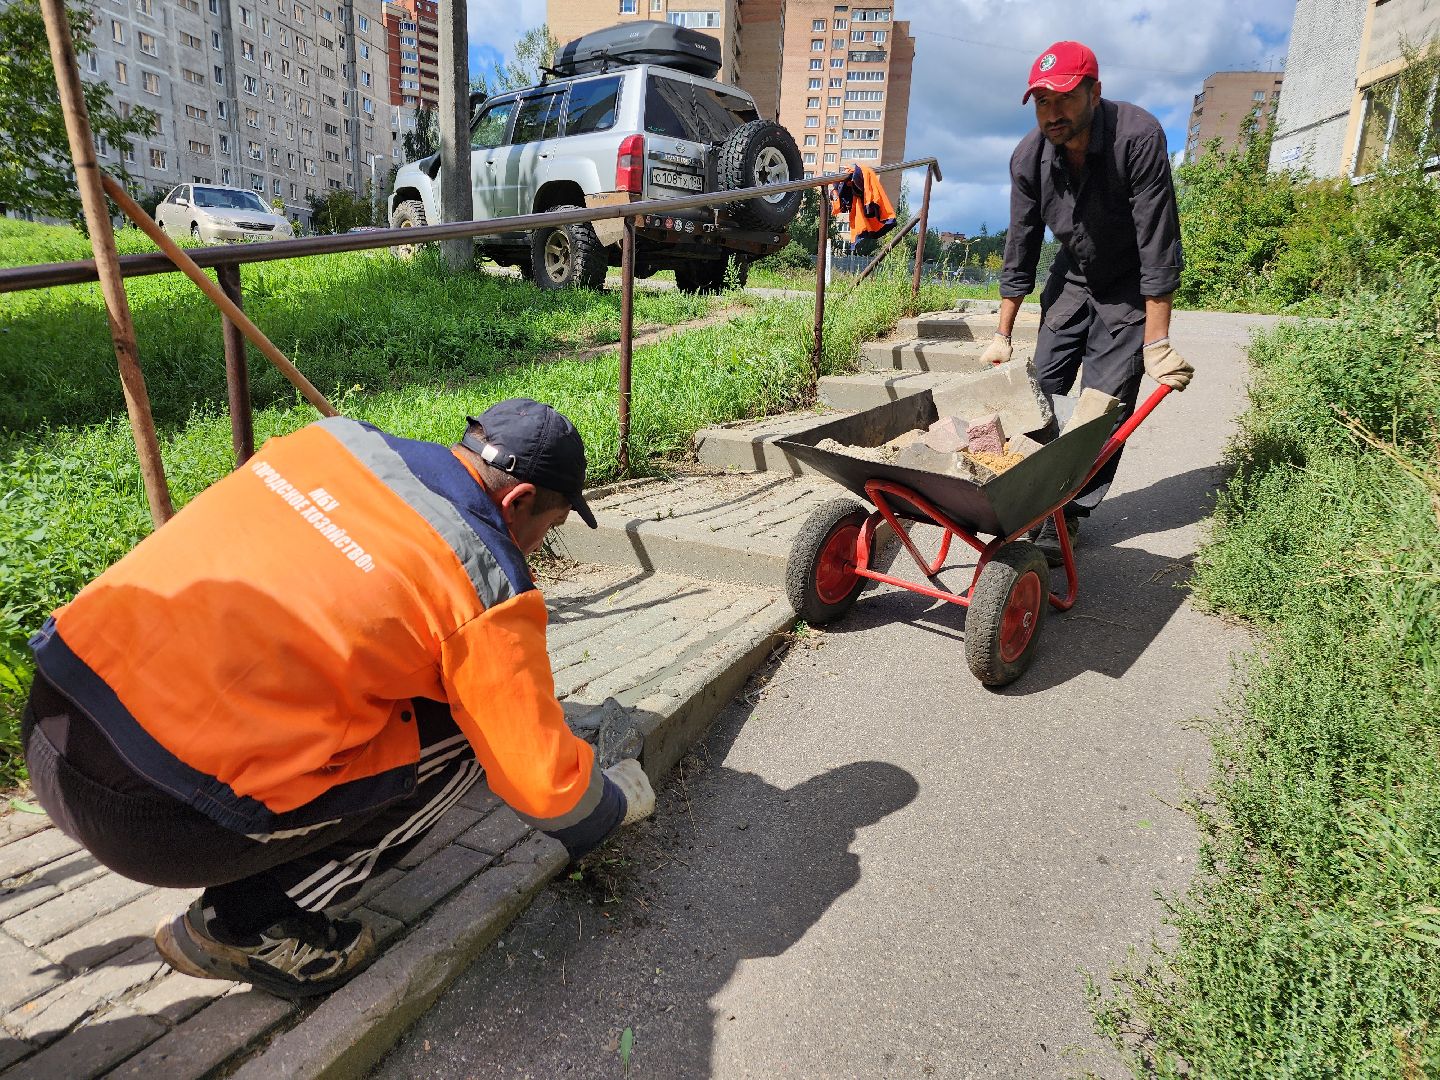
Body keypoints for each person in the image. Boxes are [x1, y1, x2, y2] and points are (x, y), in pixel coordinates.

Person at [22, 398, 655, 999]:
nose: (541, 545)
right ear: (517, 502)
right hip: (152, 817)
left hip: (54, 712)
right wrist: (614, 802)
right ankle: (244, 927)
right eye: (550, 526)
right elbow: (541, 784)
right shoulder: (483, 581)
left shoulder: (333, 441)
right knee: (469, 738)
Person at [980, 41, 1194, 564]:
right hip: (1073, 277)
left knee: (1102, 407)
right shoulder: (1028, 157)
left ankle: (1069, 517)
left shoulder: (1137, 138)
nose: (1052, 114)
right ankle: (1030, 493)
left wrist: (1158, 341)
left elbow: (1157, 243)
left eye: (1063, 99)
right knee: (1040, 386)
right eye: (1041, 103)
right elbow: (1020, 244)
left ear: (1094, 92)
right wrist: (1002, 334)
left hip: (1127, 285)